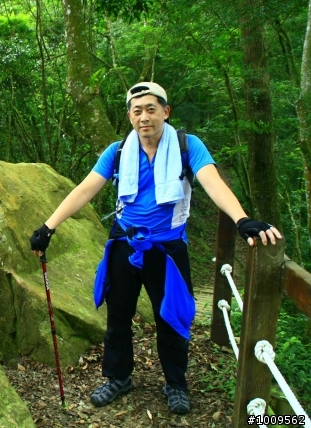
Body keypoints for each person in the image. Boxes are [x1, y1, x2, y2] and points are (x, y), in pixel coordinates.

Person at [29, 82, 282, 415]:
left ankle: (175, 383)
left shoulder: (188, 147)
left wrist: (242, 220)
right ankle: (119, 377)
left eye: (151, 109)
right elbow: (85, 189)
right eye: (137, 111)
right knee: (117, 316)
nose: (144, 117)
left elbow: (212, 181)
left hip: (168, 250)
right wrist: (49, 226)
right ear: (130, 117)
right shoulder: (118, 151)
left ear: (165, 112)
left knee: (172, 318)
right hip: (124, 245)